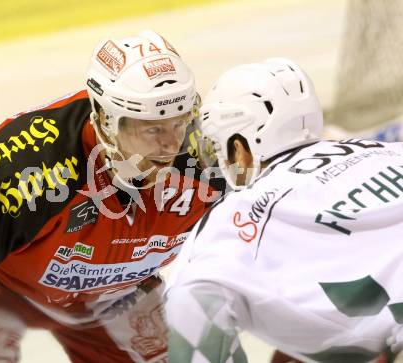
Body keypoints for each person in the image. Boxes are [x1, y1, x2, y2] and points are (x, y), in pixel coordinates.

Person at [0, 30, 222, 363]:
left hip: (117, 293)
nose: (171, 146)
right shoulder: (22, 170)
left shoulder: (208, 157)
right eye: (153, 128)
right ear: (106, 119)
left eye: (179, 122)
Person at [164, 58, 403, 363]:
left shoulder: (236, 212)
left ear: (239, 146)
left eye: (218, 148)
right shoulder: (389, 152)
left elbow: (190, 308)